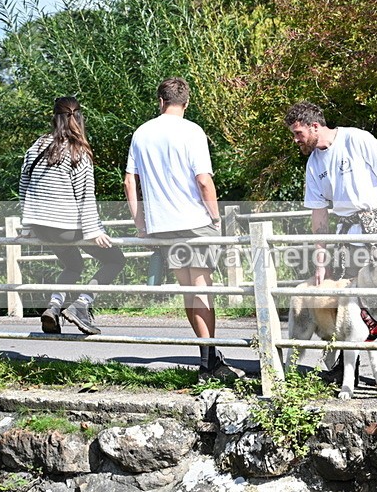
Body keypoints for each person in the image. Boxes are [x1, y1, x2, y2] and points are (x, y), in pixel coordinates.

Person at [284, 101, 377, 394]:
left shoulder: (358, 139)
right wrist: (321, 256)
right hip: (348, 233)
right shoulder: (314, 164)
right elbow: (319, 213)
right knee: (349, 300)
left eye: (298, 133)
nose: (296, 140)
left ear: (314, 126)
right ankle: (348, 370)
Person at [123, 77, 242, 382]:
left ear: (160, 100)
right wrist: (215, 218)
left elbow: (128, 182)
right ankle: (209, 365)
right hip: (194, 221)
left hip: (163, 225)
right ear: (186, 103)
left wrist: (141, 224)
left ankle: (209, 359)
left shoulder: (142, 133)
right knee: (202, 291)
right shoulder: (192, 131)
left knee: (189, 293)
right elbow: (204, 180)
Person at [19, 97, 126, 335]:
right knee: (115, 260)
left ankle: (54, 307)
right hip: (64, 225)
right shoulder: (78, 149)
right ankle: (81, 305)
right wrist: (94, 231)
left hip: (40, 226)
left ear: (54, 117)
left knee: (73, 264)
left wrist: (26, 225)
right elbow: (85, 196)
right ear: (79, 117)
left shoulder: (37, 146)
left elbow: (24, 184)